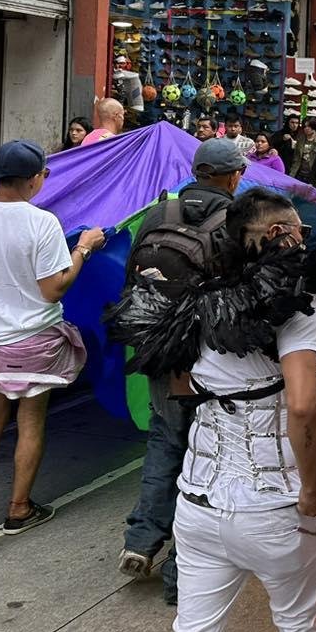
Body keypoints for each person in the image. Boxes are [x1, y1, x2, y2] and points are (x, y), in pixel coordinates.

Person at [148, 190, 316, 632]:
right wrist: (314, 488)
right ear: (279, 234)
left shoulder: (201, 291)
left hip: (198, 501)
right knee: (298, 626)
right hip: (276, 507)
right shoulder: (297, 300)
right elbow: (302, 403)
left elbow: (179, 382)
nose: (304, 240)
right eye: (300, 230)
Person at [118, 138, 247, 603]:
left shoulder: (159, 214)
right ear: (232, 176)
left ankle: (140, 541)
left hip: (159, 352)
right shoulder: (238, 219)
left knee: (164, 439)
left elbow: (132, 283)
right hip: (209, 359)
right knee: (204, 456)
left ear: (197, 172)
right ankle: (181, 573)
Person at [0, 140, 106, 544]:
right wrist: (83, 249)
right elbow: (53, 289)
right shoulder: (41, 223)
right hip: (33, 341)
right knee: (31, 421)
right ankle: (19, 509)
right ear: (34, 179)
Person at [288, 118, 316, 186]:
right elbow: (296, 158)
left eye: (309, 126)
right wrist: (292, 174)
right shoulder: (300, 140)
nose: (306, 128)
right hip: (300, 173)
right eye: (305, 126)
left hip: (314, 176)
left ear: (314, 127)